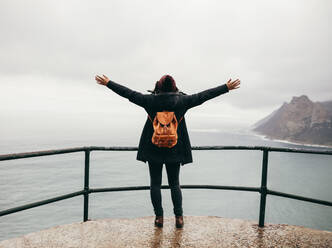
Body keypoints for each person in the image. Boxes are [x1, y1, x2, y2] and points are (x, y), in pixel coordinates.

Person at [95, 74, 240, 228]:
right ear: (174, 87)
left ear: (158, 86)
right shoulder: (183, 101)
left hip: (153, 148)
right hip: (175, 149)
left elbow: (128, 94)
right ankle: (179, 218)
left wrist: (108, 83)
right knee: (175, 184)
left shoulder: (149, 101)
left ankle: (159, 218)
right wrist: (226, 87)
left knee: (155, 184)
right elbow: (204, 96)